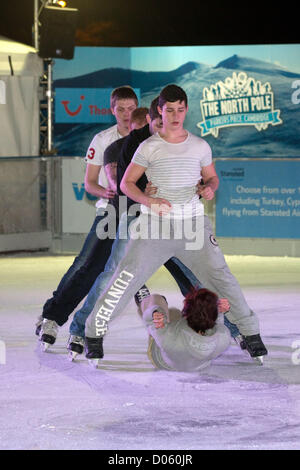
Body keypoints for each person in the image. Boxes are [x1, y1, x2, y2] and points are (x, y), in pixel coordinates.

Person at [83, 84, 268, 366]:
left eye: (180, 109)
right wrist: (148, 200)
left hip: (193, 228)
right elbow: (126, 184)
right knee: (124, 280)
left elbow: (212, 178)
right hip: (154, 228)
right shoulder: (149, 146)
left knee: (221, 277)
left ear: (186, 110)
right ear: (160, 110)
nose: (175, 115)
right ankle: (93, 336)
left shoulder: (200, 146)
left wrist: (209, 188)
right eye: (169, 110)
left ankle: (251, 334)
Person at [36, 86, 139, 350]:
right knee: (87, 265)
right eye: (121, 109)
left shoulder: (149, 139)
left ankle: (220, 321)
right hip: (111, 211)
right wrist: (105, 190)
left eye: (131, 109)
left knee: (173, 262)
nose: (126, 115)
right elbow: (90, 184)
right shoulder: (103, 140)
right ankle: (52, 317)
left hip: (143, 214)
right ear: (112, 110)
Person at [137, 288, 231, 372]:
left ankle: (145, 301)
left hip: (164, 362)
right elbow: (217, 326)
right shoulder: (224, 337)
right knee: (173, 314)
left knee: (160, 304)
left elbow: (149, 321)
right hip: (199, 366)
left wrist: (155, 313)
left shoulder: (170, 336)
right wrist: (218, 313)